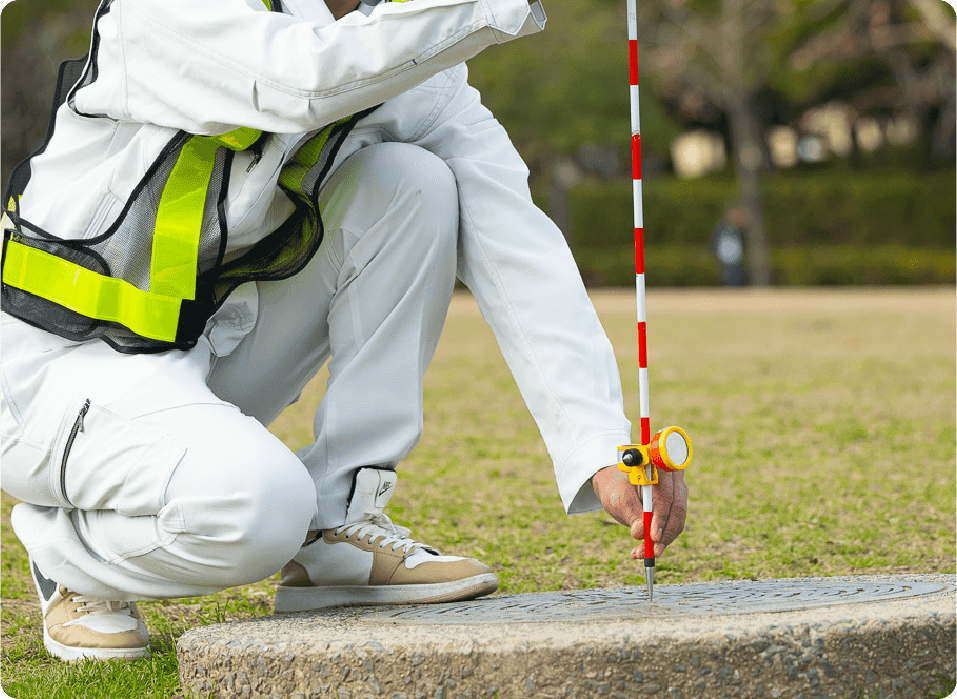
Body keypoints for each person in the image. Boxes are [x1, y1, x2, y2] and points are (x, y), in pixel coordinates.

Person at [0, 0, 689, 662]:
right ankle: (70, 551)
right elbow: (303, 77)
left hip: (197, 349)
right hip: (56, 371)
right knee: (262, 508)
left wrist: (603, 444)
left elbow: (516, 239)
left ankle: (339, 521)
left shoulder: (403, 48)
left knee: (413, 183)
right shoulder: (168, 8)